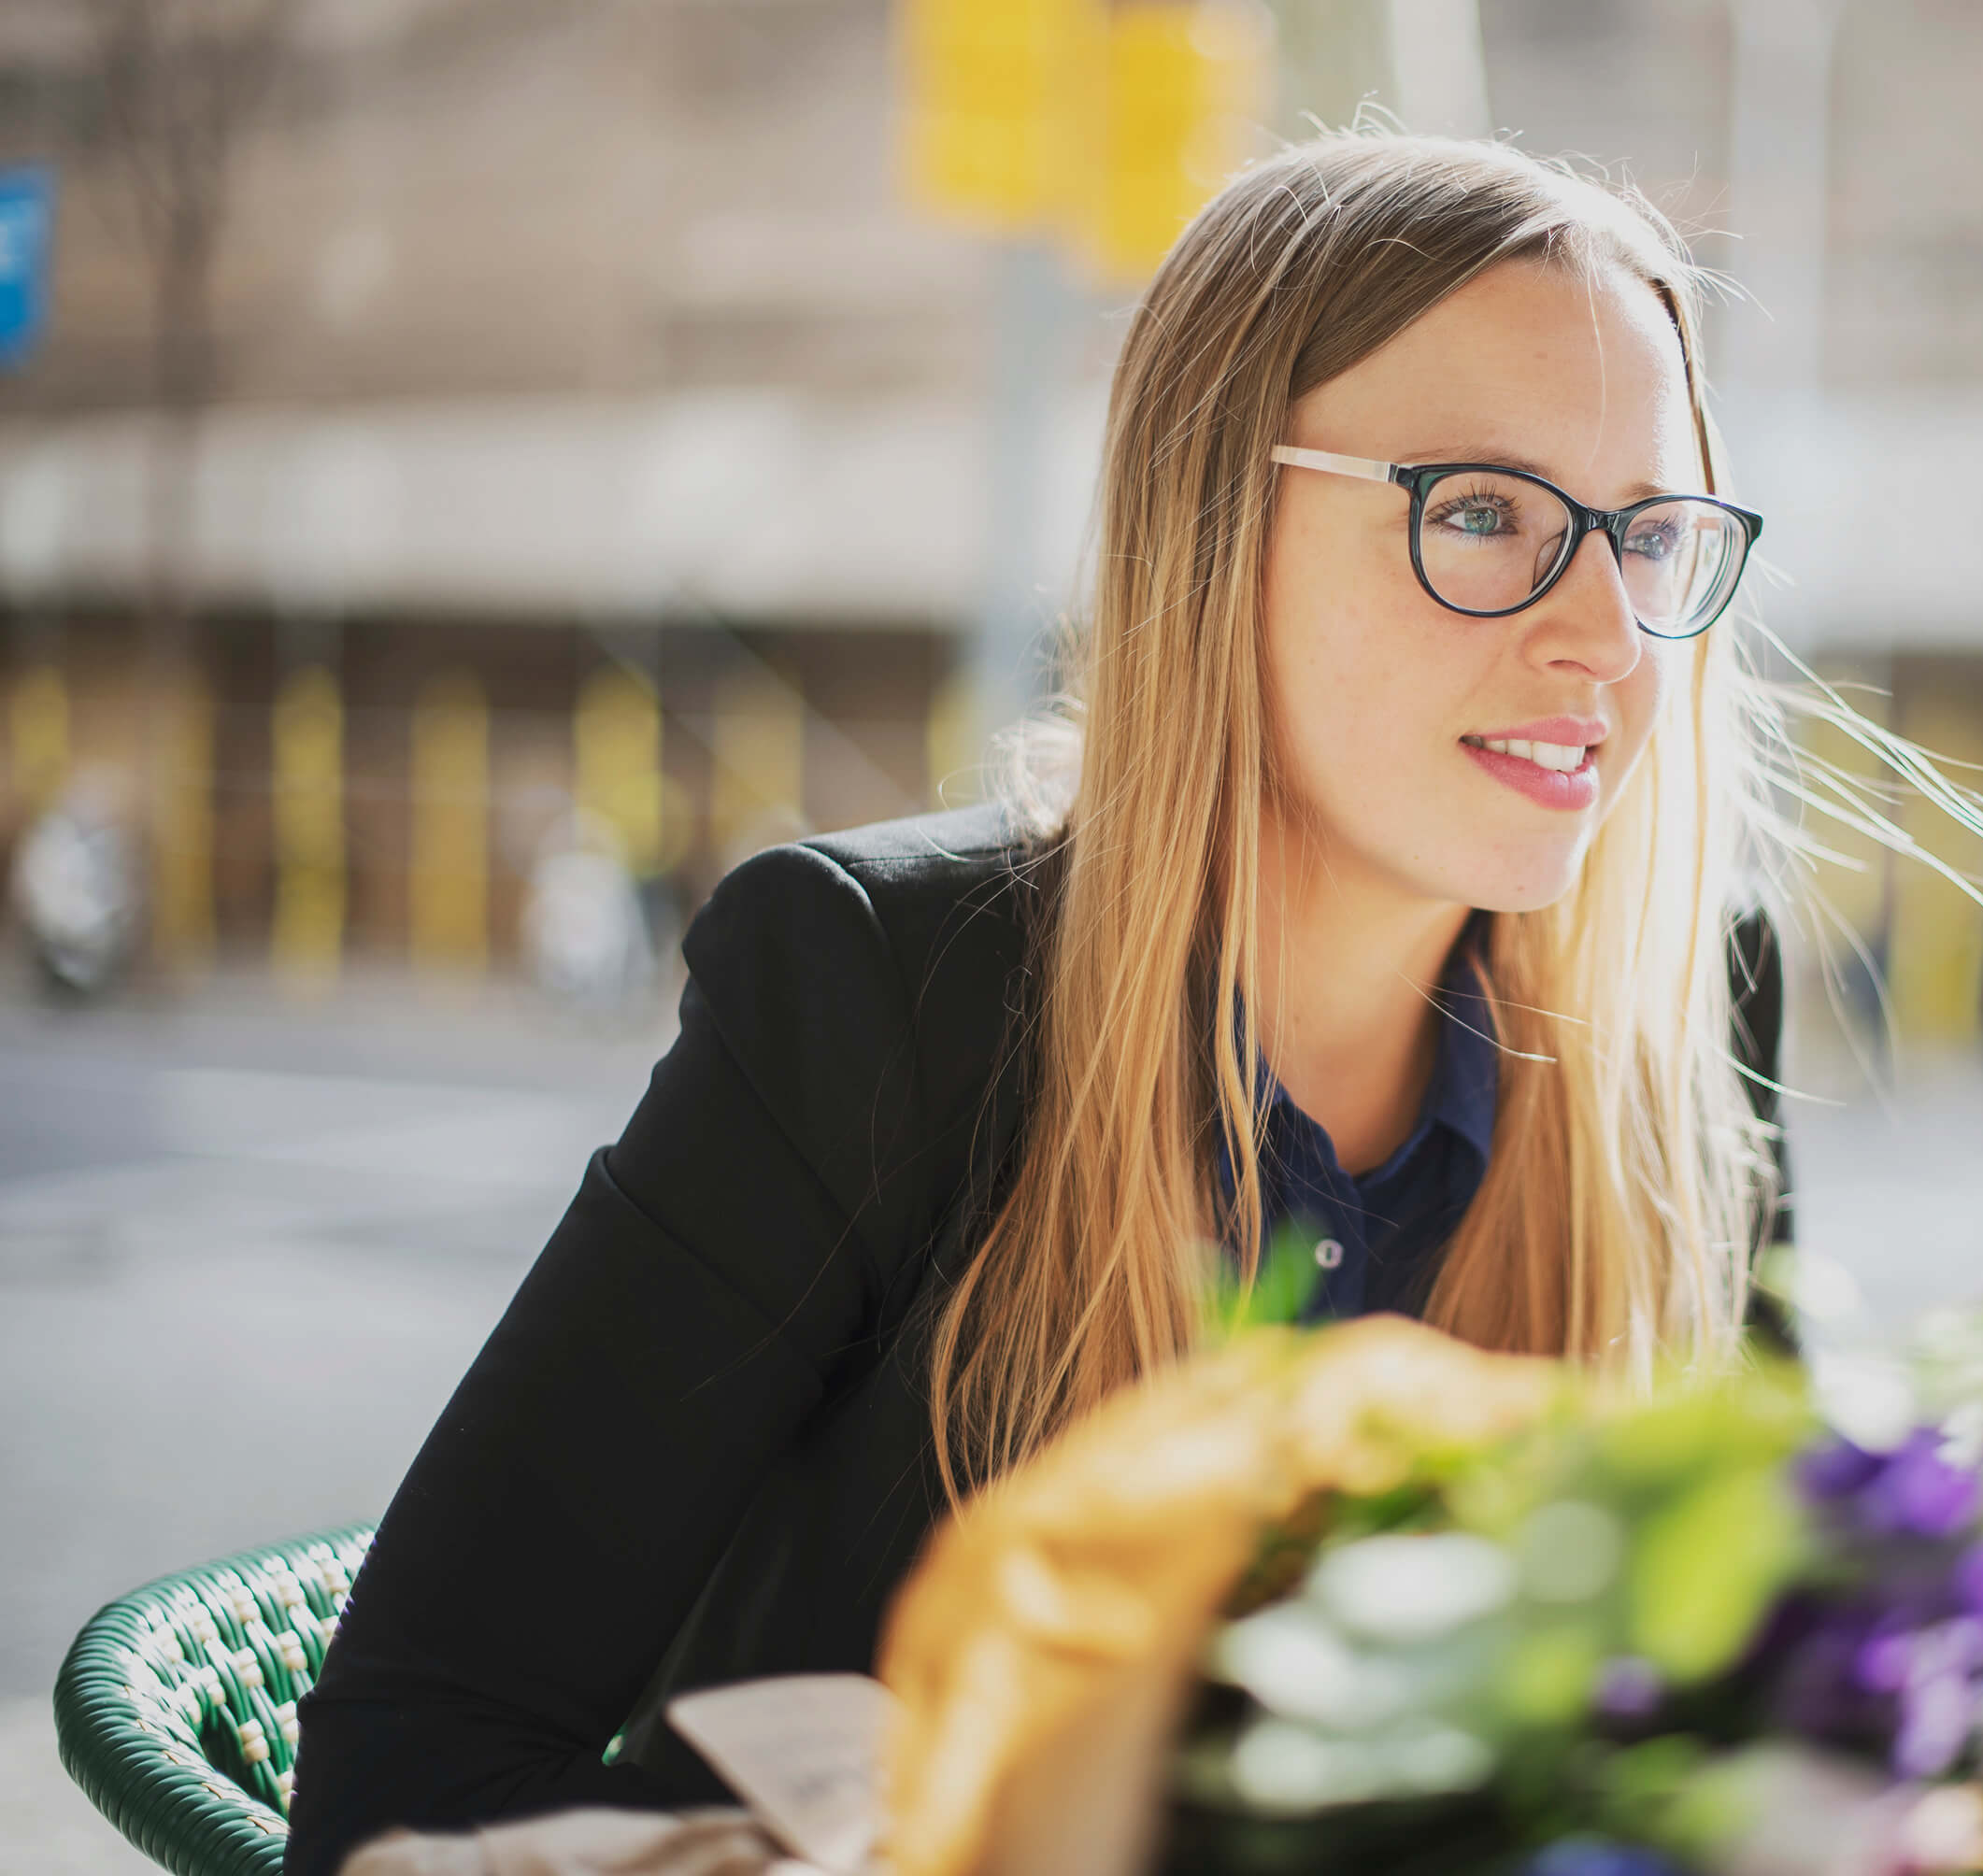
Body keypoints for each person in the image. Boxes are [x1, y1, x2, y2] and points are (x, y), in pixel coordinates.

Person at [285, 133, 1805, 1876]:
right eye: (1482, 513)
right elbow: (418, 1759)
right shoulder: (872, 993)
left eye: (1655, 536)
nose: (1609, 638)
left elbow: (1761, 1701)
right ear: (1214, 517)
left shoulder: (1693, 1026)